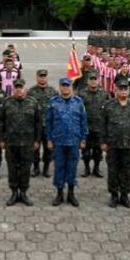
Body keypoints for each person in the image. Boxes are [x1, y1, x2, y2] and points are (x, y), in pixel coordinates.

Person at [101, 80, 130, 208]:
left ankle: (125, 195)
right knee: (113, 171)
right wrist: (103, 142)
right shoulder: (108, 105)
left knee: (127, 171)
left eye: (126, 89)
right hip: (113, 145)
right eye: (121, 89)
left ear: (129, 91)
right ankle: (114, 195)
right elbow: (102, 125)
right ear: (116, 90)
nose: (123, 91)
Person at [46, 78, 88, 207]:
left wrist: (83, 138)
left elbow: (83, 121)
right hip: (58, 141)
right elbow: (48, 122)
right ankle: (59, 194)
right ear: (60, 87)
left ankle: (71, 194)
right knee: (59, 168)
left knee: (72, 168)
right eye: (63, 86)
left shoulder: (78, 102)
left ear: (71, 87)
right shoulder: (53, 102)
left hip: (74, 141)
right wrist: (49, 139)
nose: (65, 88)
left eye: (67, 86)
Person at [0, 78, 41, 206]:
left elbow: (38, 123)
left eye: (20, 87)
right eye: (16, 87)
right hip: (11, 143)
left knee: (25, 169)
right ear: (13, 89)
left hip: (27, 143)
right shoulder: (6, 102)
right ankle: (13, 192)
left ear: (25, 89)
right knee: (12, 169)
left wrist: (37, 140)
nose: (18, 90)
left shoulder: (33, 102)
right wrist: (1, 139)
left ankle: (23, 192)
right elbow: (1, 122)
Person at [77, 71, 108, 178]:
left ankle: (96, 168)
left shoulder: (104, 94)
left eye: (95, 79)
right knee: (85, 150)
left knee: (98, 151)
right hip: (86, 127)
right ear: (88, 81)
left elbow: (108, 109)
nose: (93, 81)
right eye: (91, 79)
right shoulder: (82, 94)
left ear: (98, 81)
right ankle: (86, 168)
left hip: (99, 127)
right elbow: (78, 110)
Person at [27, 69, 58, 177]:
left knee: (48, 148)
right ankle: (36, 168)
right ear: (37, 77)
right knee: (34, 148)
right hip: (35, 125)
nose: (42, 78)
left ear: (47, 77)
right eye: (40, 76)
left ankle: (46, 168)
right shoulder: (31, 92)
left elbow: (57, 108)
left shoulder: (53, 91)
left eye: (44, 76)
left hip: (48, 125)